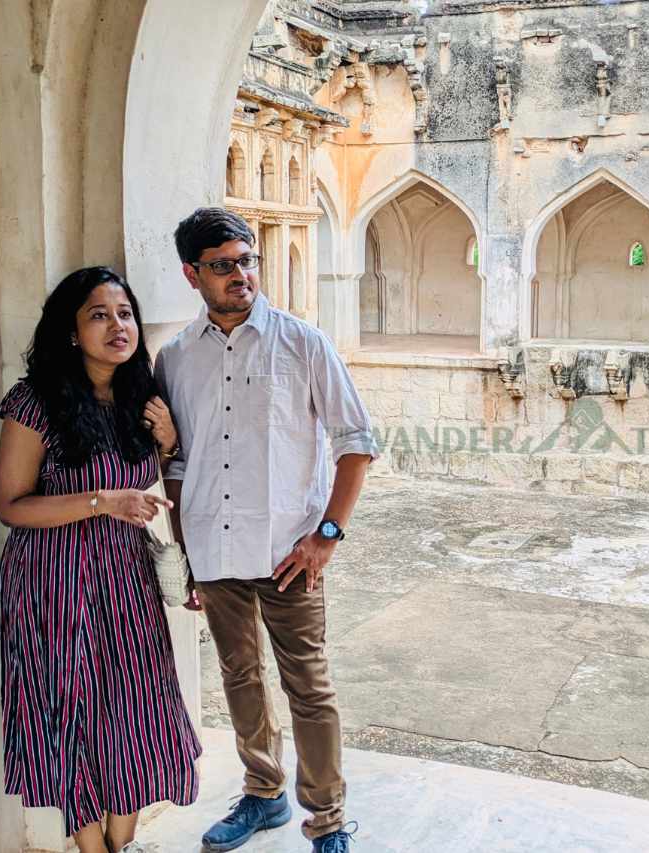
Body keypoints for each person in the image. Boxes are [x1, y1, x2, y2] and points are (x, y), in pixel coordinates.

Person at [155, 208, 378, 853]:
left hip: (290, 553)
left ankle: (328, 819)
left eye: (247, 260)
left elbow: (356, 444)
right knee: (239, 676)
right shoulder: (175, 358)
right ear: (192, 275)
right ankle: (263, 793)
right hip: (215, 547)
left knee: (308, 685)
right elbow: (177, 461)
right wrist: (187, 551)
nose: (241, 275)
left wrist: (327, 535)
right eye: (223, 266)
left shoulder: (302, 343)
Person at [0, 266, 201, 853]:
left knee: (136, 712)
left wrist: (168, 444)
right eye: (99, 315)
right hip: (52, 583)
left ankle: (122, 843)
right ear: (70, 330)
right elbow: (10, 505)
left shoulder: (143, 400)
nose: (118, 326)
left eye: (125, 313)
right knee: (74, 715)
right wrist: (99, 502)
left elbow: (155, 489)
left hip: (126, 581)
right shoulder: (35, 402)